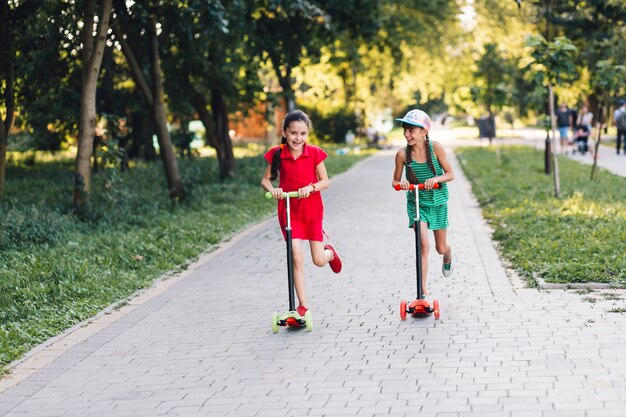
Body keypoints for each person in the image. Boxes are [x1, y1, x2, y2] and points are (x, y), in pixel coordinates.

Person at [261, 109, 342, 317]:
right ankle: (303, 305)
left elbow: (325, 181)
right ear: (285, 132)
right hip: (289, 211)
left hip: (312, 210)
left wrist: (312, 187)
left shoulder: (314, 152)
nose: (298, 138)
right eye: (294, 133)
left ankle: (329, 252)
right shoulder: (277, 153)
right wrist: (274, 190)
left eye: (303, 134)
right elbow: (266, 180)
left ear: (308, 134)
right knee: (296, 257)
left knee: (317, 260)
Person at [392, 109, 455, 299]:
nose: (407, 134)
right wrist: (401, 184)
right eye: (405, 130)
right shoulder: (402, 154)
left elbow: (450, 174)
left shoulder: (436, 148)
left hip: (437, 202)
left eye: (411, 130)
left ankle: (448, 255)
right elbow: (394, 181)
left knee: (439, 248)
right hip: (417, 202)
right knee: (423, 245)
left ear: (424, 132)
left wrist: (436, 178)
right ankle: (423, 291)